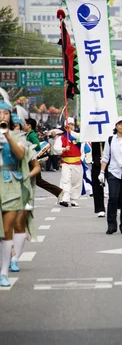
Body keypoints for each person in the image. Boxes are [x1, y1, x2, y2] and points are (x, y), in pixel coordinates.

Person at [0, 101, 28, 287]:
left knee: (7, 228)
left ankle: (4, 271)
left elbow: (20, 155)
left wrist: (8, 136)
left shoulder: (19, 136)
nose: (2, 117)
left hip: (10, 182)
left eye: (5, 114)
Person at [53, 117, 82, 207]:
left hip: (77, 163)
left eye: (72, 125)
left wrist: (71, 132)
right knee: (66, 181)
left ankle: (73, 199)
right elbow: (56, 149)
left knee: (76, 182)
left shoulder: (78, 136)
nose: (71, 126)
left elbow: (80, 137)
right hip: (66, 163)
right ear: (65, 126)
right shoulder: (61, 138)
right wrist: (64, 149)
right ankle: (64, 199)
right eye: (69, 125)